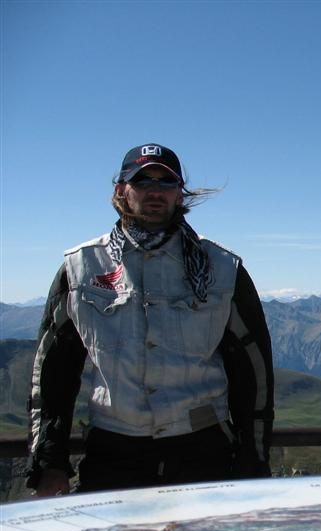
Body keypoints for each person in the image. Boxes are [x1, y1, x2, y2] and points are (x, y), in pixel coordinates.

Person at [27, 143, 274, 495]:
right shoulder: (81, 269)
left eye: (166, 182)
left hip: (203, 452)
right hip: (113, 454)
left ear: (179, 194)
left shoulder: (222, 268)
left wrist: (254, 460)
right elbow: (52, 374)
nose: (155, 191)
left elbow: (253, 373)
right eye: (142, 181)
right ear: (121, 191)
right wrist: (49, 462)